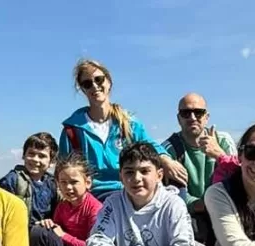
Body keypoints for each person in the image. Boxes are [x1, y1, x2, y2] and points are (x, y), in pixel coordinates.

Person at [58, 58, 186, 198]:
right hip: (94, 196)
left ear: (109, 82)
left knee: (177, 184)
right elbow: (63, 169)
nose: (94, 86)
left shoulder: (129, 123)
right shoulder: (73, 130)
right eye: (87, 84)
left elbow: (149, 145)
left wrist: (166, 160)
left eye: (99, 80)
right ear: (83, 89)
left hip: (129, 189)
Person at [163, 93, 236, 242]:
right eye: (186, 113)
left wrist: (220, 155)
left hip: (225, 207)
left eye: (198, 112)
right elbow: (170, 193)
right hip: (192, 214)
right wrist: (197, 204)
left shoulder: (223, 141)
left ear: (206, 117)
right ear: (178, 119)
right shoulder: (169, 149)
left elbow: (241, 178)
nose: (192, 117)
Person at [28, 151, 103, 246]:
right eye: (63, 182)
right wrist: (49, 225)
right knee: (40, 230)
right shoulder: (62, 206)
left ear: (87, 183)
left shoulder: (95, 209)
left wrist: (64, 236)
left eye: (74, 182)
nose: (68, 187)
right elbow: (55, 232)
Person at [0, 131, 58, 225]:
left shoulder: (52, 184)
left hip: (44, 230)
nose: (35, 159)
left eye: (42, 156)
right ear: (24, 155)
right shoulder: (12, 180)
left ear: (52, 162)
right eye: (31, 153)